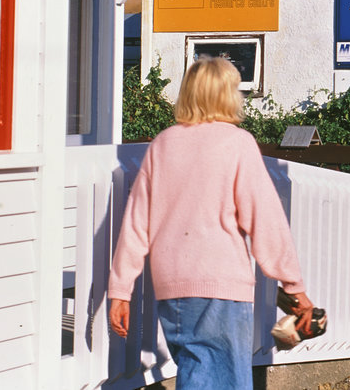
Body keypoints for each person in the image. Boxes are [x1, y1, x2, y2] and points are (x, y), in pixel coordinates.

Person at [107, 56, 314, 389]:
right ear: (228, 95)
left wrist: (120, 291)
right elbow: (265, 219)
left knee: (198, 373)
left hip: (172, 291)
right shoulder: (237, 143)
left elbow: (136, 224)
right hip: (221, 287)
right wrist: (294, 287)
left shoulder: (162, 144)